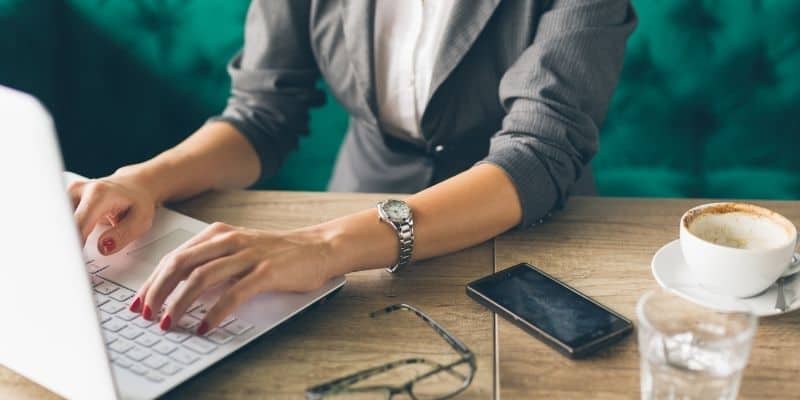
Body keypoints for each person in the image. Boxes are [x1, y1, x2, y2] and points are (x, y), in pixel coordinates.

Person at [69, 0, 636, 335]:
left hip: (522, 233)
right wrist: (143, 179)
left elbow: (539, 152)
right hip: (356, 222)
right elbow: (262, 114)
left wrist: (322, 247)